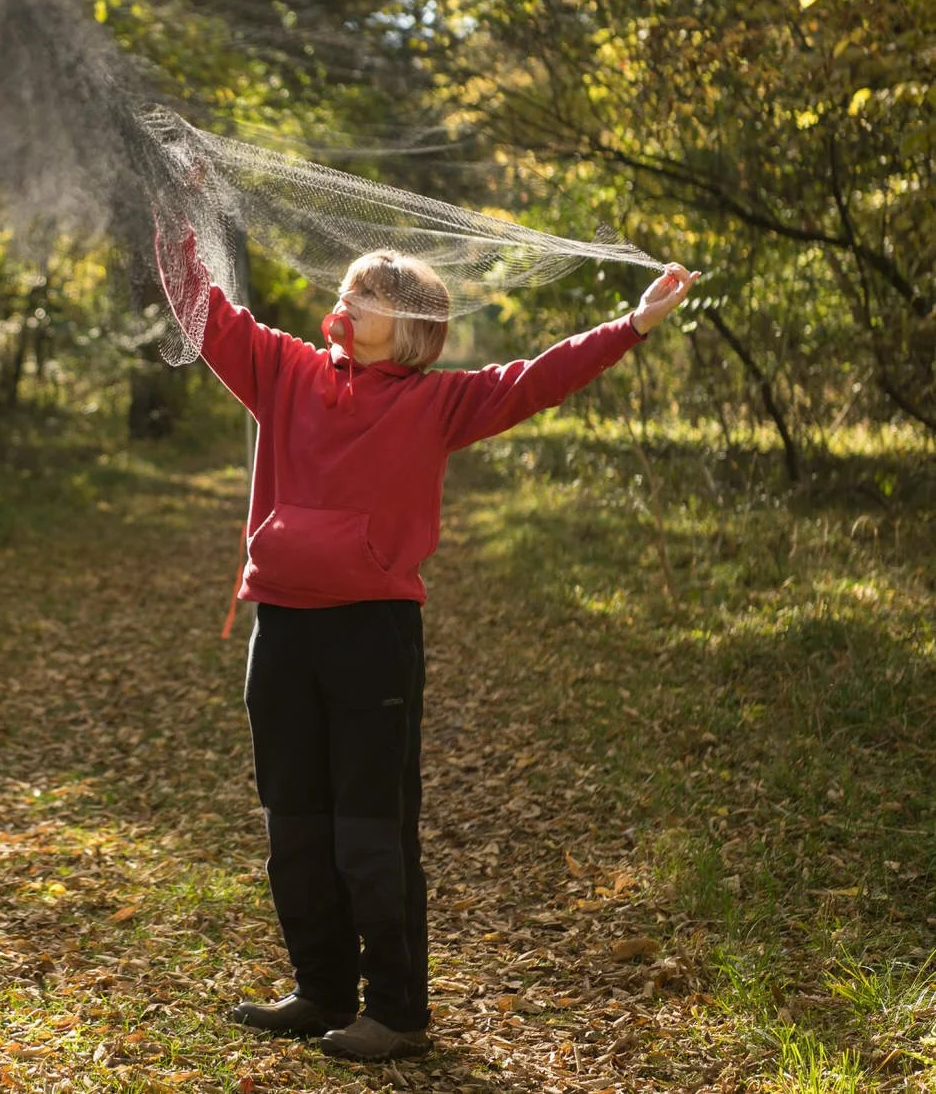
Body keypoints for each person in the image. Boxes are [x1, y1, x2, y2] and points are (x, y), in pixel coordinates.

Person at [155, 223, 700, 1061]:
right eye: (350, 285)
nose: (349, 297)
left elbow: (536, 380)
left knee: (370, 829)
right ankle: (321, 988)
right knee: (295, 822)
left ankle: (398, 1011)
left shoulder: (438, 402)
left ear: (410, 326)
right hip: (283, 629)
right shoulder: (285, 370)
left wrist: (632, 325)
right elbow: (202, 307)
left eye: (369, 292)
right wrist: (171, 217)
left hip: (374, 635)